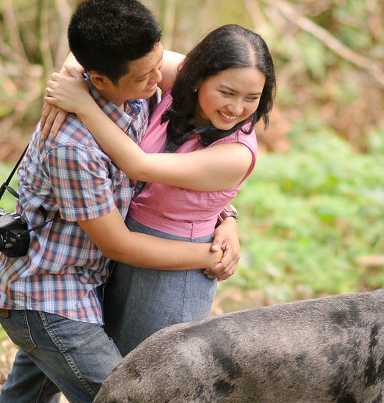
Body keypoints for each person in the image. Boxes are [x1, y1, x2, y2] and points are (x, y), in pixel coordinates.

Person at [0, 0, 241, 403]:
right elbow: (117, 242)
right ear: (99, 80)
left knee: (30, 392)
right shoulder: (73, 144)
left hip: (81, 282)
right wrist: (205, 255)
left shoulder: (136, 75)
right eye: (143, 78)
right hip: (46, 296)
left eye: (157, 64)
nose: (157, 82)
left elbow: (207, 111)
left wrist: (228, 216)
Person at [43, 24, 276, 361]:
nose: (238, 108)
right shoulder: (178, 77)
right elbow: (101, 54)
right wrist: (68, 78)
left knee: (150, 381)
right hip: (124, 249)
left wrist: (82, 104)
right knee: (115, 371)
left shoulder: (237, 153)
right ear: (199, 77)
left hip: (176, 267)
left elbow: (139, 166)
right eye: (227, 92)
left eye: (252, 98)